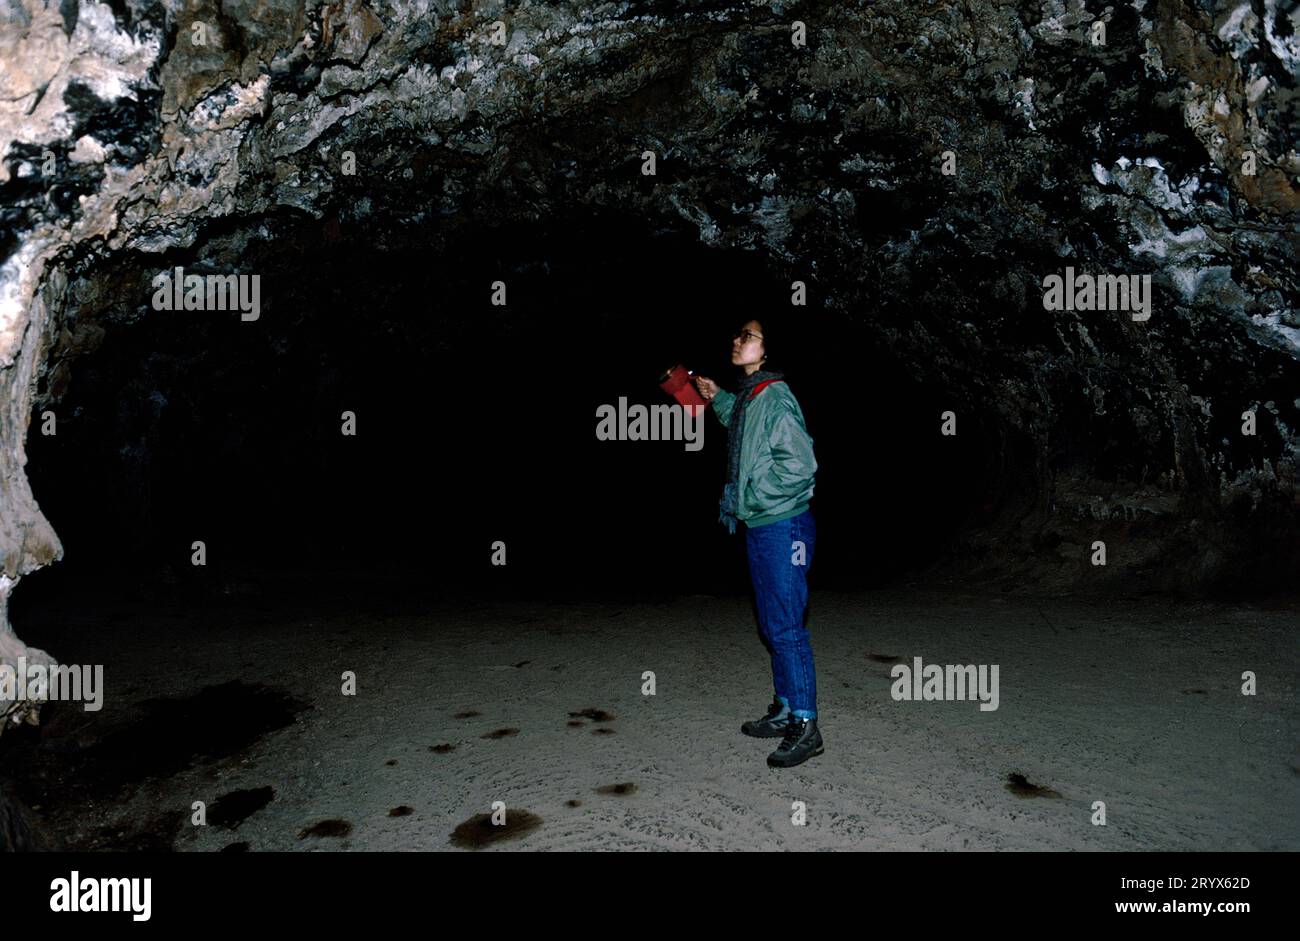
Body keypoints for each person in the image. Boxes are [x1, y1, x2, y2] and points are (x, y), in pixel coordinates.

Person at [693, 319, 822, 768]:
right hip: (763, 526)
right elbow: (742, 426)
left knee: (786, 627)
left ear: (766, 351)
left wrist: (752, 497)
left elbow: (800, 467)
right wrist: (717, 397)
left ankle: (807, 725)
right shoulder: (753, 396)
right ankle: (787, 708)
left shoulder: (777, 397)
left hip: (784, 527)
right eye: (737, 334)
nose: (737, 340)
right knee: (771, 624)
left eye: (748, 337)